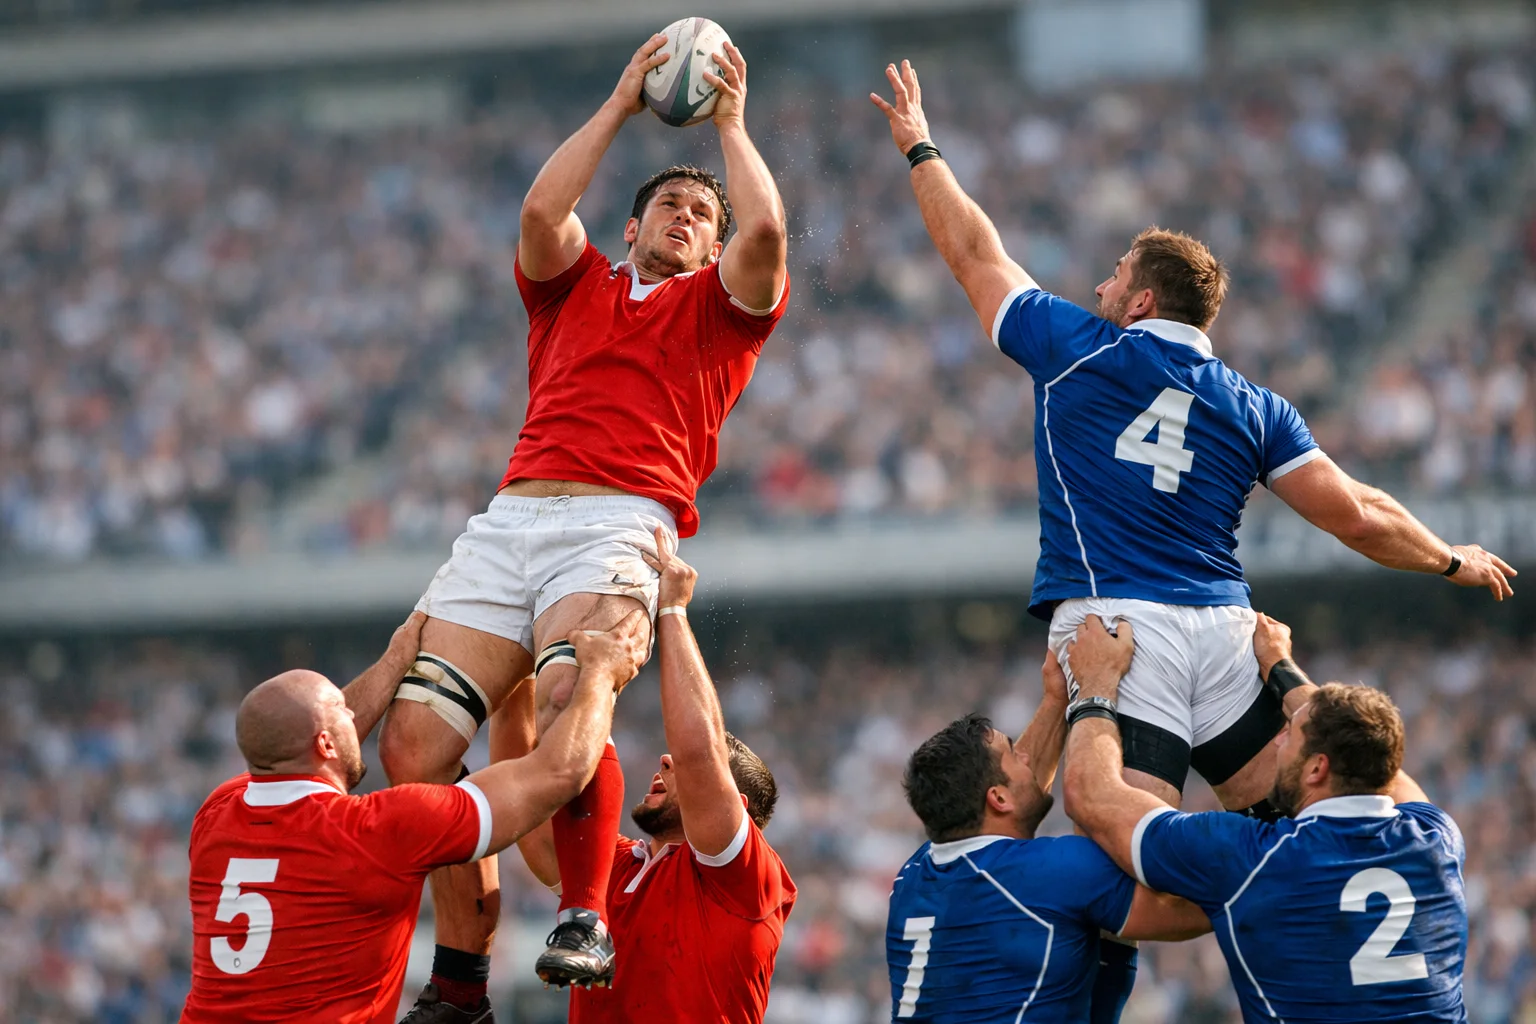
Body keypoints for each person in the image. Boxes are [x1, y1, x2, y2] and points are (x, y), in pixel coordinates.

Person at [870, 61, 1515, 822]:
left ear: (1143, 300)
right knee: (1290, 828)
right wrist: (1448, 557)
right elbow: (1358, 515)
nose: (1100, 290)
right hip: (1224, 633)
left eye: (1114, 278)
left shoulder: (1077, 345)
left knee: (1131, 847)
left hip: (1117, 628)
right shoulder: (1257, 406)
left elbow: (977, 255)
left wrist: (921, 150)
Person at [376, 29, 791, 1016]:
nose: (688, 218)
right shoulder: (575, 286)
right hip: (511, 514)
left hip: (619, 520)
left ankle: (584, 911)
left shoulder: (722, 311)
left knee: (573, 692)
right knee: (414, 749)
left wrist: (731, 123)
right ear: (635, 222)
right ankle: (463, 980)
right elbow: (539, 209)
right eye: (671, 205)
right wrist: (617, 105)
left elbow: (767, 237)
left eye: (703, 213)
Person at [180, 610, 647, 1024]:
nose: (355, 712)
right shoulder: (373, 830)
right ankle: (461, 990)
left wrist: (394, 659)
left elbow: (296, 741)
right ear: (325, 743)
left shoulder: (217, 814)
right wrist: (602, 675)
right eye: (343, 710)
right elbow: (559, 773)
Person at [1061, 613, 1468, 1022]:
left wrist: (1095, 685)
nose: (1277, 739)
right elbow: (1381, 763)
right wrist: (1278, 663)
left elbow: (1090, 796)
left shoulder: (1253, 857)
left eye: (1289, 733)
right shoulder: (1435, 839)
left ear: (1316, 769)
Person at [513, 528, 796, 1023]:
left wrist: (673, 611)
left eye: (682, 764)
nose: (665, 761)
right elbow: (526, 788)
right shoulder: (613, 866)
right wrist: (519, 667)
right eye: (666, 757)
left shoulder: (742, 877)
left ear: (738, 811)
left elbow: (698, 753)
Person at [887, 649, 1209, 1023]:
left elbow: (1010, 803)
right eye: (1014, 753)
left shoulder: (912, 876)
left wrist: (1058, 698)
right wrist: (1096, 689)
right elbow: (1182, 912)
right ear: (997, 798)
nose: (1026, 756)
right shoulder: (1051, 872)